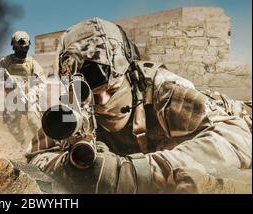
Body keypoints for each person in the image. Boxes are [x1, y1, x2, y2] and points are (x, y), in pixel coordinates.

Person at [26, 17, 252, 193]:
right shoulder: (69, 107)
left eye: (113, 90)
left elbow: (238, 137)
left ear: (129, 73)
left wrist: (136, 173)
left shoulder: (163, 89)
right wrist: (68, 166)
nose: (103, 102)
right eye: (91, 96)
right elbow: (35, 158)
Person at [0, 31, 47, 145]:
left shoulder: (32, 63)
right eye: (19, 48)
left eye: (25, 48)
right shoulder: (5, 62)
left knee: (34, 120)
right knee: (11, 122)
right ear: (13, 46)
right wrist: (6, 85)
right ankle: (23, 143)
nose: (22, 51)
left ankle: (41, 144)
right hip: (12, 99)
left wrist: (33, 93)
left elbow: (41, 82)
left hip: (29, 99)